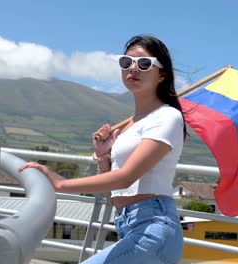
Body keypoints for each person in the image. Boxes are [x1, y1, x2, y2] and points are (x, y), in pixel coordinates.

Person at [18, 35, 186, 264]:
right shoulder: (131, 124)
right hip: (129, 225)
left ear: (162, 74)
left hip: (153, 230)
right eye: (126, 62)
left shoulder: (168, 117)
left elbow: (126, 178)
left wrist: (61, 184)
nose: (133, 68)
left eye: (145, 63)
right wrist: (104, 157)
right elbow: (115, 196)